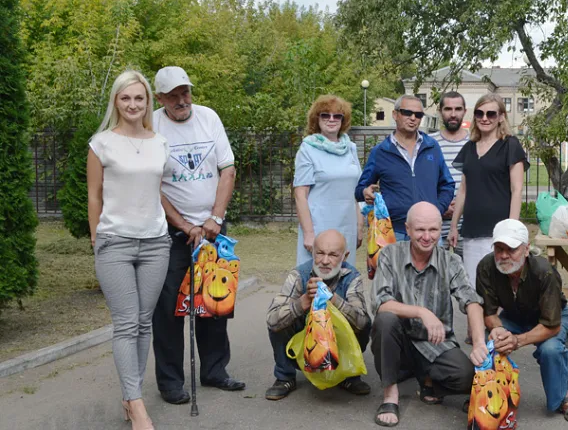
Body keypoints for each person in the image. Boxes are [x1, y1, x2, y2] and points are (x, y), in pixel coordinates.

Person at [151, 66, 245, 405]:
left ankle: (215, 371)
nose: (182, 100)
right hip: (170, 233)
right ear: (159, 98)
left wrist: (214, 219)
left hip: (213, 229)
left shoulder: (209, 117)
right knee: (168, 310)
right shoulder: (151, 126)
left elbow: (228, 170)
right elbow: (151, 185)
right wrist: (184, 225)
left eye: (185, 92)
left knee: (214, 302)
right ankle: (171, 381)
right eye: (173, 95)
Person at [87, 70, 171, 430]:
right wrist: (97, 239)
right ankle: (137, 405)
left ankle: (129, 395)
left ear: (148, 102)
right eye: (126, 98)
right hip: (115, 243)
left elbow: (159, 191)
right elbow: (94, 195)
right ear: (116, 102)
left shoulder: (159, 142)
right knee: (125, 323)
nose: (133, 105)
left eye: (139, 98)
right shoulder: (101, 143)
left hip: (155, 242)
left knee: (142, 322)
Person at [370, 202, 488, 427]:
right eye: (420, 230)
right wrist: (421, 312)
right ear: (407, 228)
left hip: (435, 344)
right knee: (385, 320)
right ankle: (390, 395)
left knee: (468, 377)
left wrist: (479, 343)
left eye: (433, 230)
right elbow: (380, 303)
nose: (427, 236)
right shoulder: (389, 254)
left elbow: (471, 300)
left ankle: (427, 379)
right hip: (399, 342)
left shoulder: (450, 260)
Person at [476, 219, 568, 424]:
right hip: (513, 316)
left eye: (511, 249)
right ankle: (488, 395)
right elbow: (489, 312)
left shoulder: (544, 272)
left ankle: (563, 396)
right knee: (489, 343)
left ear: (526, 250)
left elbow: (552, 324)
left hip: (549, 318)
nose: (503, 255)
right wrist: (499, 330)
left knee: (551, 349)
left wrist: (517, 341)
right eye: (499, 249)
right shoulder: (486, 266)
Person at [265, 229, 371, 399]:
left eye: (333, 255)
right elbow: (272, 319)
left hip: (337, 336)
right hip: (306, 338)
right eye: (320, 253)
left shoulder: (352, 277)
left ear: (345, 256)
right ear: (312, 252)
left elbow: (361, 321)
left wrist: (333, 299)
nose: (325, 261)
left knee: (365, 323)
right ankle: (285, 377)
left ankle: (349, 376)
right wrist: (303, 302)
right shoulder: (299, 275)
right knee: (282, 319)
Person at [448, 93, 529, 287]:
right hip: (471, 231)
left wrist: (511, 230)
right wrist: (453, 226)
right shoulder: (469, 148)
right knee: (474, 289)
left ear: (501, 116)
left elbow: (517, 190)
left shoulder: (510, 145)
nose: (485, 118)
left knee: (500, 291)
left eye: (491, 114)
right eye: (480, 113)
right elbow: (463, 191)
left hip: (499, 232)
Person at [355, 96, 455, 242]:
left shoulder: (432, 147)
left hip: (428, 233)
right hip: (394, 233)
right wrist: (365, 192)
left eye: (418, 114)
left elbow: (447, 184)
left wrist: (437, 210)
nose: (413, 118)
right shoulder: (381, 151)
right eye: (407, 113)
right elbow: (359, 190)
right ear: (395, 115)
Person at [294, 95, 363, 266]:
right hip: (319, 228)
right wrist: (309, 233)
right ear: (317, 119)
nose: (331, 119)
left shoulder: (351, 149)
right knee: (316, 284)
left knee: (344, 280)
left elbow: (356, 193)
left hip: (347, 228)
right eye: (325, 115)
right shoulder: (308, 148)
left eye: (337, 116)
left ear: (343, 120)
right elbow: (300, 195)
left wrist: (359, 227)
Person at [428, 91, 469, 255]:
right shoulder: (428, 143)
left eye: (458, 109)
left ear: (464, 111)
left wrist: (461, 207)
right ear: (440, 111)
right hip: (433, 228)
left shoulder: (475, 142)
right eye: (448, 109)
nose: (453, 114)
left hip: (467, 227)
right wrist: (441, 206)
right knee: (434, 279)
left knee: (468, 279)